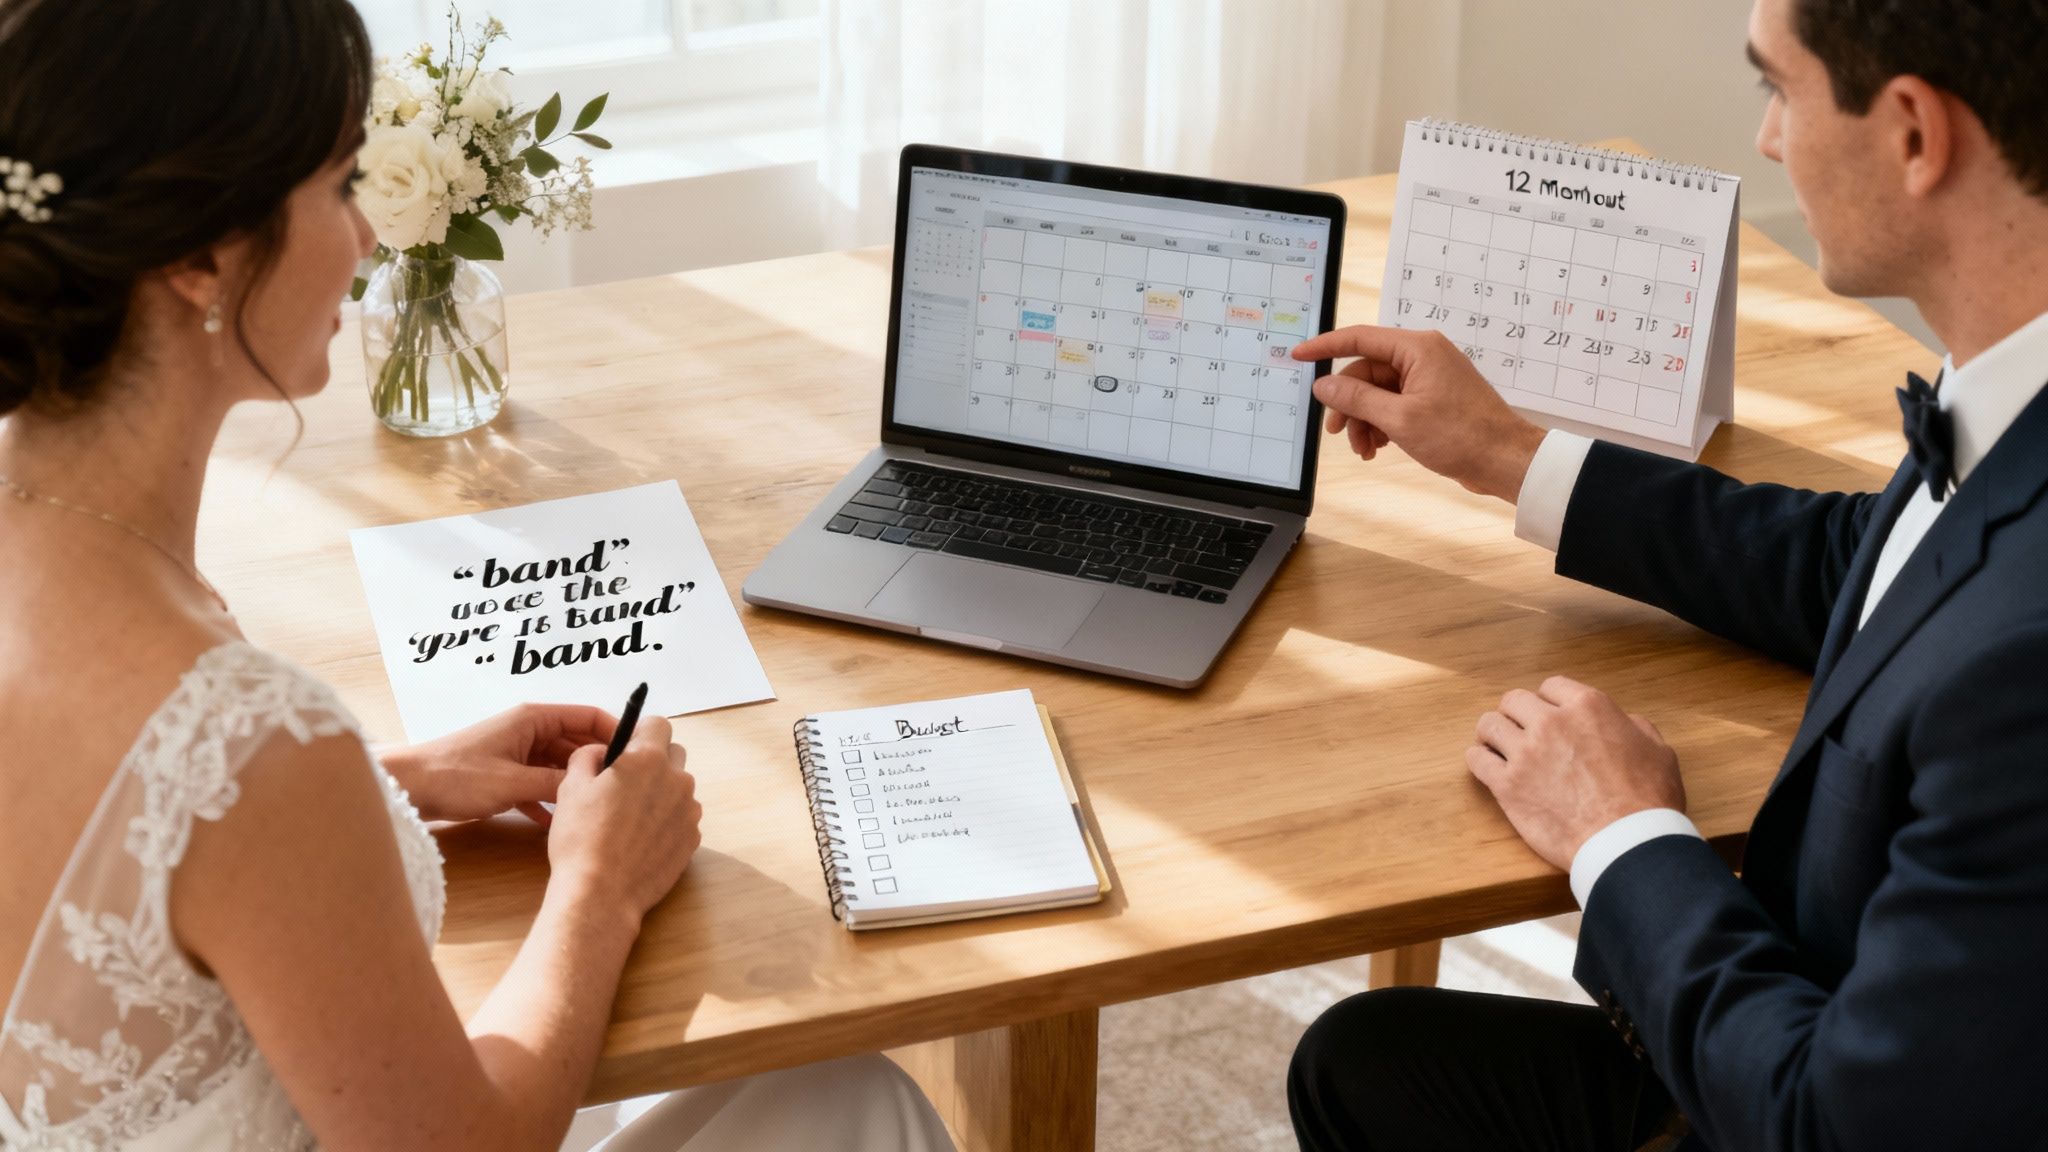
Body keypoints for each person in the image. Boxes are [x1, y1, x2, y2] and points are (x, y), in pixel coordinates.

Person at [0, 2, 953, 1150]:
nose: (365, 239)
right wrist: (598, 887)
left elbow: (115, 849)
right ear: (202, 256)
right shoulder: (252, 743)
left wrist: (395, 778)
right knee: (852, 1098)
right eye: (342, 184)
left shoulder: (76, 573)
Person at [1285, 0, 2048, 1147]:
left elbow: (1832, 1127)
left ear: (1909, 133)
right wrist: (1509, 454)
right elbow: (1872, 566)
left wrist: (1620, 833)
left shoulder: (2024, 668)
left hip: (1821, 1087)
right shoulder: (2008, 385)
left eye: (1775, 91)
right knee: (1359, 1061)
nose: (1767, 141)